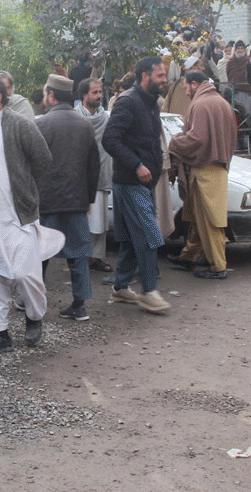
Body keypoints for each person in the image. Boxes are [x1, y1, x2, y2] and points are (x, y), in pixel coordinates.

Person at [0, 74, 60, 356]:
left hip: (16, 216)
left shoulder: (19, 124)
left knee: (26, 275)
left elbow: (43, 160)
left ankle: (33, 316)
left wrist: (24, 189)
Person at [101, 57, 172, 314]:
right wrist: (137, 165)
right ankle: (150, 291)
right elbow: (110, 139)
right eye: (160, 75)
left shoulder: (151, 102)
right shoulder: (128, 102)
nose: (165, 79)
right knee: (149, 235)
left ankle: (121, 287)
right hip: (131, 182)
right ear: (145, 76)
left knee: (132, 238)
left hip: (144, 183)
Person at [37, 75, 100, 321]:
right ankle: (80, 304)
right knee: (78, 252)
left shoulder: (42, 125)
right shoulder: (85, 125)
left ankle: (31, 301)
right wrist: (89, 199)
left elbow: (33, 165)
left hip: (47, 202)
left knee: (40, 254)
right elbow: (94, 167)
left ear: (51, 95)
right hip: (76, 201)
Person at [167, 71, 237, 279]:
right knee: (197, 218)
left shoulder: (201, 104)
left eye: (186, 87)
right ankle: (189, 256)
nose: (186, 92)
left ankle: (218, 267)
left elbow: (197, 140)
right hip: (217, 166)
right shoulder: (221, 102)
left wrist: (175, 141)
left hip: (205, 168)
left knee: (210, 220)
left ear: (195, 84)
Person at [76, 78, 114, 274]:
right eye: (95, 92)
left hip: (102, 175)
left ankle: (95, 258)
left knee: (101, 223)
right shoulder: (75, 118)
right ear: (84, 95)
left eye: (100, 92)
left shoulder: (105, 118)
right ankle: (82, 258)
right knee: (84, 222)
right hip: (81, 178)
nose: (99, 96)